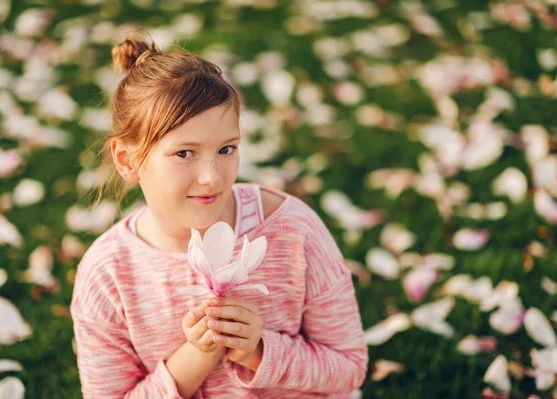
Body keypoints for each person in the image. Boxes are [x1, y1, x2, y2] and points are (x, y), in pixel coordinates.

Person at [70, 33, 368, 399]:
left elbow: (349, 368)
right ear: (127, 160)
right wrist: (198, 355)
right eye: (184, 153)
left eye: (226, 148)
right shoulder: (108, 275)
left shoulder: (294, 231)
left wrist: (258, 351)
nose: (212, 177)